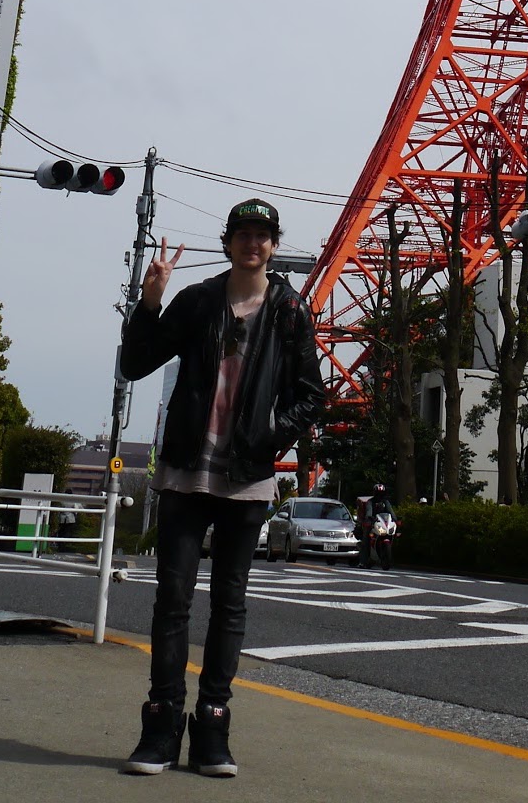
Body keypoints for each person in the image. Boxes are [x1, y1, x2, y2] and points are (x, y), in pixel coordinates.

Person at [118, 198, 324, 778]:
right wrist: (151, 299)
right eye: (243, 234)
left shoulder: (289, 311)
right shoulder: (199, 300)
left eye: (263, 236)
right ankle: (159, 729)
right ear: (228, 242)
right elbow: (135, 363)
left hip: (247, 478)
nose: (252, 244)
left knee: (229, 607)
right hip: (187, 470)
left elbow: (312, 394)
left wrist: (268, 440)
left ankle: (212, 730)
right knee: (172, 602)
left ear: (274, 245)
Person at [357, 480, 396, 569]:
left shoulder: (386, 502)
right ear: (375, 493)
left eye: (381, 493)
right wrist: (369, 517)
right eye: (378, 493)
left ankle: (390, 558)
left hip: (383, 523)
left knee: (395, 534)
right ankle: (362, 561)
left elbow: (391, 512)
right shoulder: (370, 502)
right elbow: (368, 511)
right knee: (366, 539)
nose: (380, 495)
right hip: (372, 523)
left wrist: (395, 519)